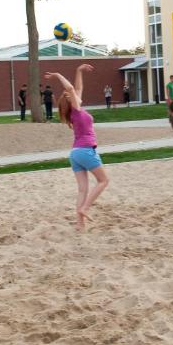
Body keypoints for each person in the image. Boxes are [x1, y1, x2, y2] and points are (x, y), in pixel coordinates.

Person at [46, 64, 109, 230]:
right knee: (103, 180)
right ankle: (84, 208)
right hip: (86, 150)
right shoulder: (76, 108)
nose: (77, 93)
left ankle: (79, 224)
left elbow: (77, 88)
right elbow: (72, 88)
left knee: (82, 190)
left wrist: (78, 71)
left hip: (75, 153)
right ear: (71, 98)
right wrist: (59, 74)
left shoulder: (75, 111)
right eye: (73, 94)